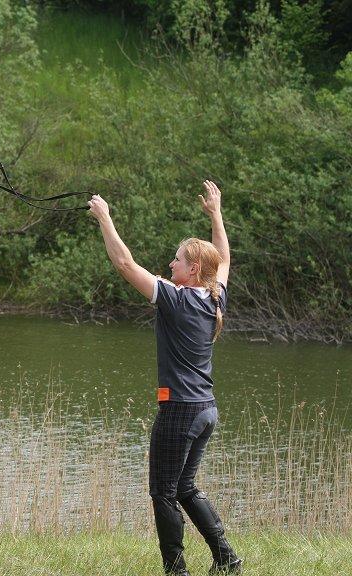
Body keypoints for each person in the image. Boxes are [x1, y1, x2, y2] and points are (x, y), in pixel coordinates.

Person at [87, 181, 243, 575]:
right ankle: (227, 559)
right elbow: (223, 258)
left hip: (179, 413)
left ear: (192, 270)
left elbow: (125, 265)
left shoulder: (176, 299)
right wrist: (216, 214)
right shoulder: (214, 297)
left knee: (163, 493)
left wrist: (105, 218)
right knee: (185, 488)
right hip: (206, 410)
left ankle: (176, 571)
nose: (170, 265)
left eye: (176, 261)